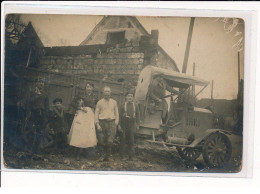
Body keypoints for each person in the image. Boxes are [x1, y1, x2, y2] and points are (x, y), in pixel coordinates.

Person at [24, 77, 52, 154]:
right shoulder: (32, 92)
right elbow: (28, 104)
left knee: (40, 132)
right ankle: (30, 148)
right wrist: (28, 113)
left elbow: (47, 106)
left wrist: (46, 116)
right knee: (32, 131)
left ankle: (37, 149)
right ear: (36, 83)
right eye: (39, 82)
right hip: (33, 114)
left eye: (42, 82)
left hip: (41, 115)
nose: (41, 84)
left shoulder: (45, 94)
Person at [95, 86, 119, 161]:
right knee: (101, 140)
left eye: (108, 91)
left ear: (110, 93)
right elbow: (96, 113)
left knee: (110, 141)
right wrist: (97, 124)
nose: (107, 93)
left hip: (111, 123)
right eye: (105, 91)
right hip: (102, 122)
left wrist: (116, 123)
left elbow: (117, 113)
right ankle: (102, 156)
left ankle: (108, 157)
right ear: (103, 93)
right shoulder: (99, 102)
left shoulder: (114, 102)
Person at [118, 90, 140, 160]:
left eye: (131, 96)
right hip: (124, 124)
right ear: (126, 97)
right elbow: (119, 115)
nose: (130, 97)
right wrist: (119, 125)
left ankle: (131, 156)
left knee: (131, 140)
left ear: (133, 97)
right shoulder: (122, 105)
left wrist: (138, 124)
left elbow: (138, 115)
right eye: (128, 96)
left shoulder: (135, 105)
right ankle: (122, 156)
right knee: (123, 140)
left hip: (132, 124)